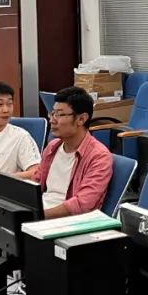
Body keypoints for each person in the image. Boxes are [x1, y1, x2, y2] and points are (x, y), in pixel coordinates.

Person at [34, 86, 113, 218]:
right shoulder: (52, 147)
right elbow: (36, 182)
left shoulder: (99, 156)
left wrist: (37, 216)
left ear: (81, 119)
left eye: (59, 114)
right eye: (52, 113)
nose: (52, 120)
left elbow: (82, 205)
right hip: (41, 211)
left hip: (66, 221)